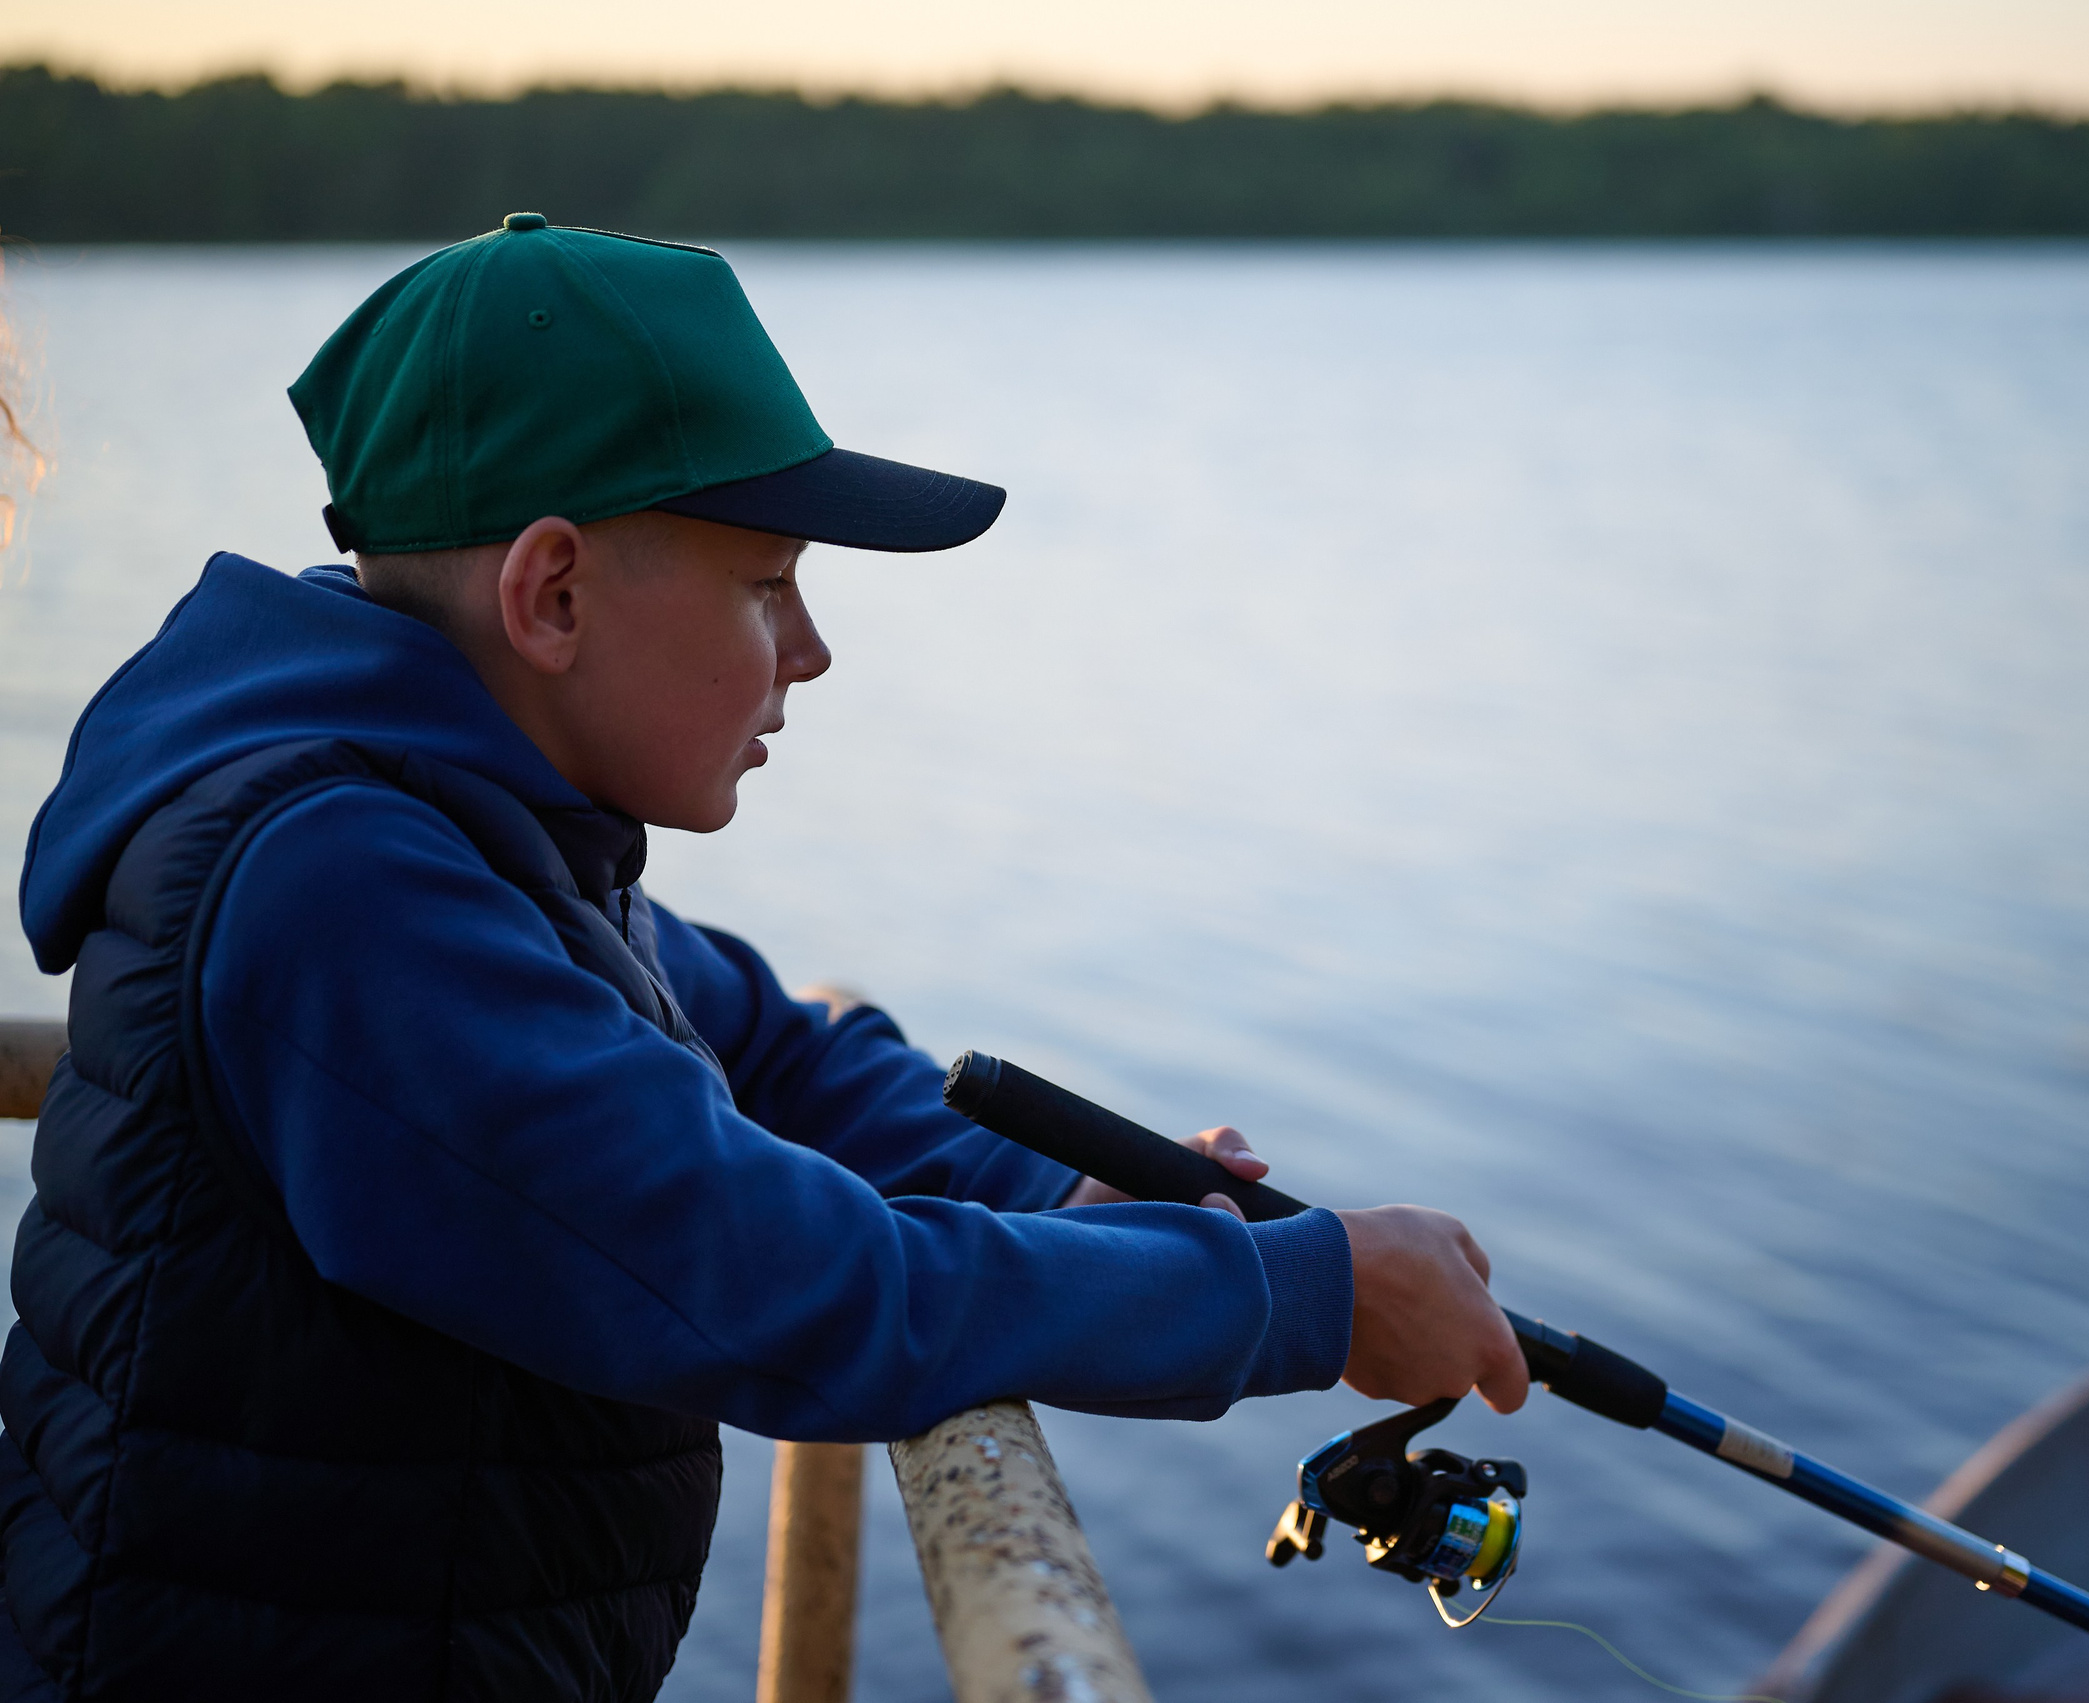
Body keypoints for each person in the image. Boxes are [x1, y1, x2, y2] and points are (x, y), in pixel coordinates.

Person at [1, 216, 1527, 1703]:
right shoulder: (339, 890)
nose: (811, 647)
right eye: (765, 581)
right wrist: (1296, 1299)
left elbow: (775, 1045)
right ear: (552, 595)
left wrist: (1063, 1190)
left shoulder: (470, 817)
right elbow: (783, 1281)